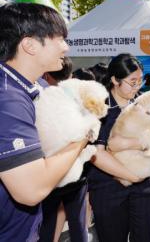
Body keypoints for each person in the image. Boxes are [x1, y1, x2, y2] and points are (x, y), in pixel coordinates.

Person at [0, 3, 88, 241]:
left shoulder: (29, 89)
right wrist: (81, 137)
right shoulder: (7, 98)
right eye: (59, 38)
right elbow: (31, 189)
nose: (66, 47)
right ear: (29, 44)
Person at [88, 53, 150, 242]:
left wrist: (131, 144)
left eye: (140, 81)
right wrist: (132, 177)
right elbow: (97, 153)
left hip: (144, 186)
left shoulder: (144, 103)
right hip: (107, 187)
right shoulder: (100, 108)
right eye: (132, 82)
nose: (137, 87)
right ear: (115, 80)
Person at [39, 56, 90, 242]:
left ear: (46, 76)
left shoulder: (42, 99)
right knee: (78, 222)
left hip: (52, 172)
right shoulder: (82, 98)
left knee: (47, 224)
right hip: (78, 171)